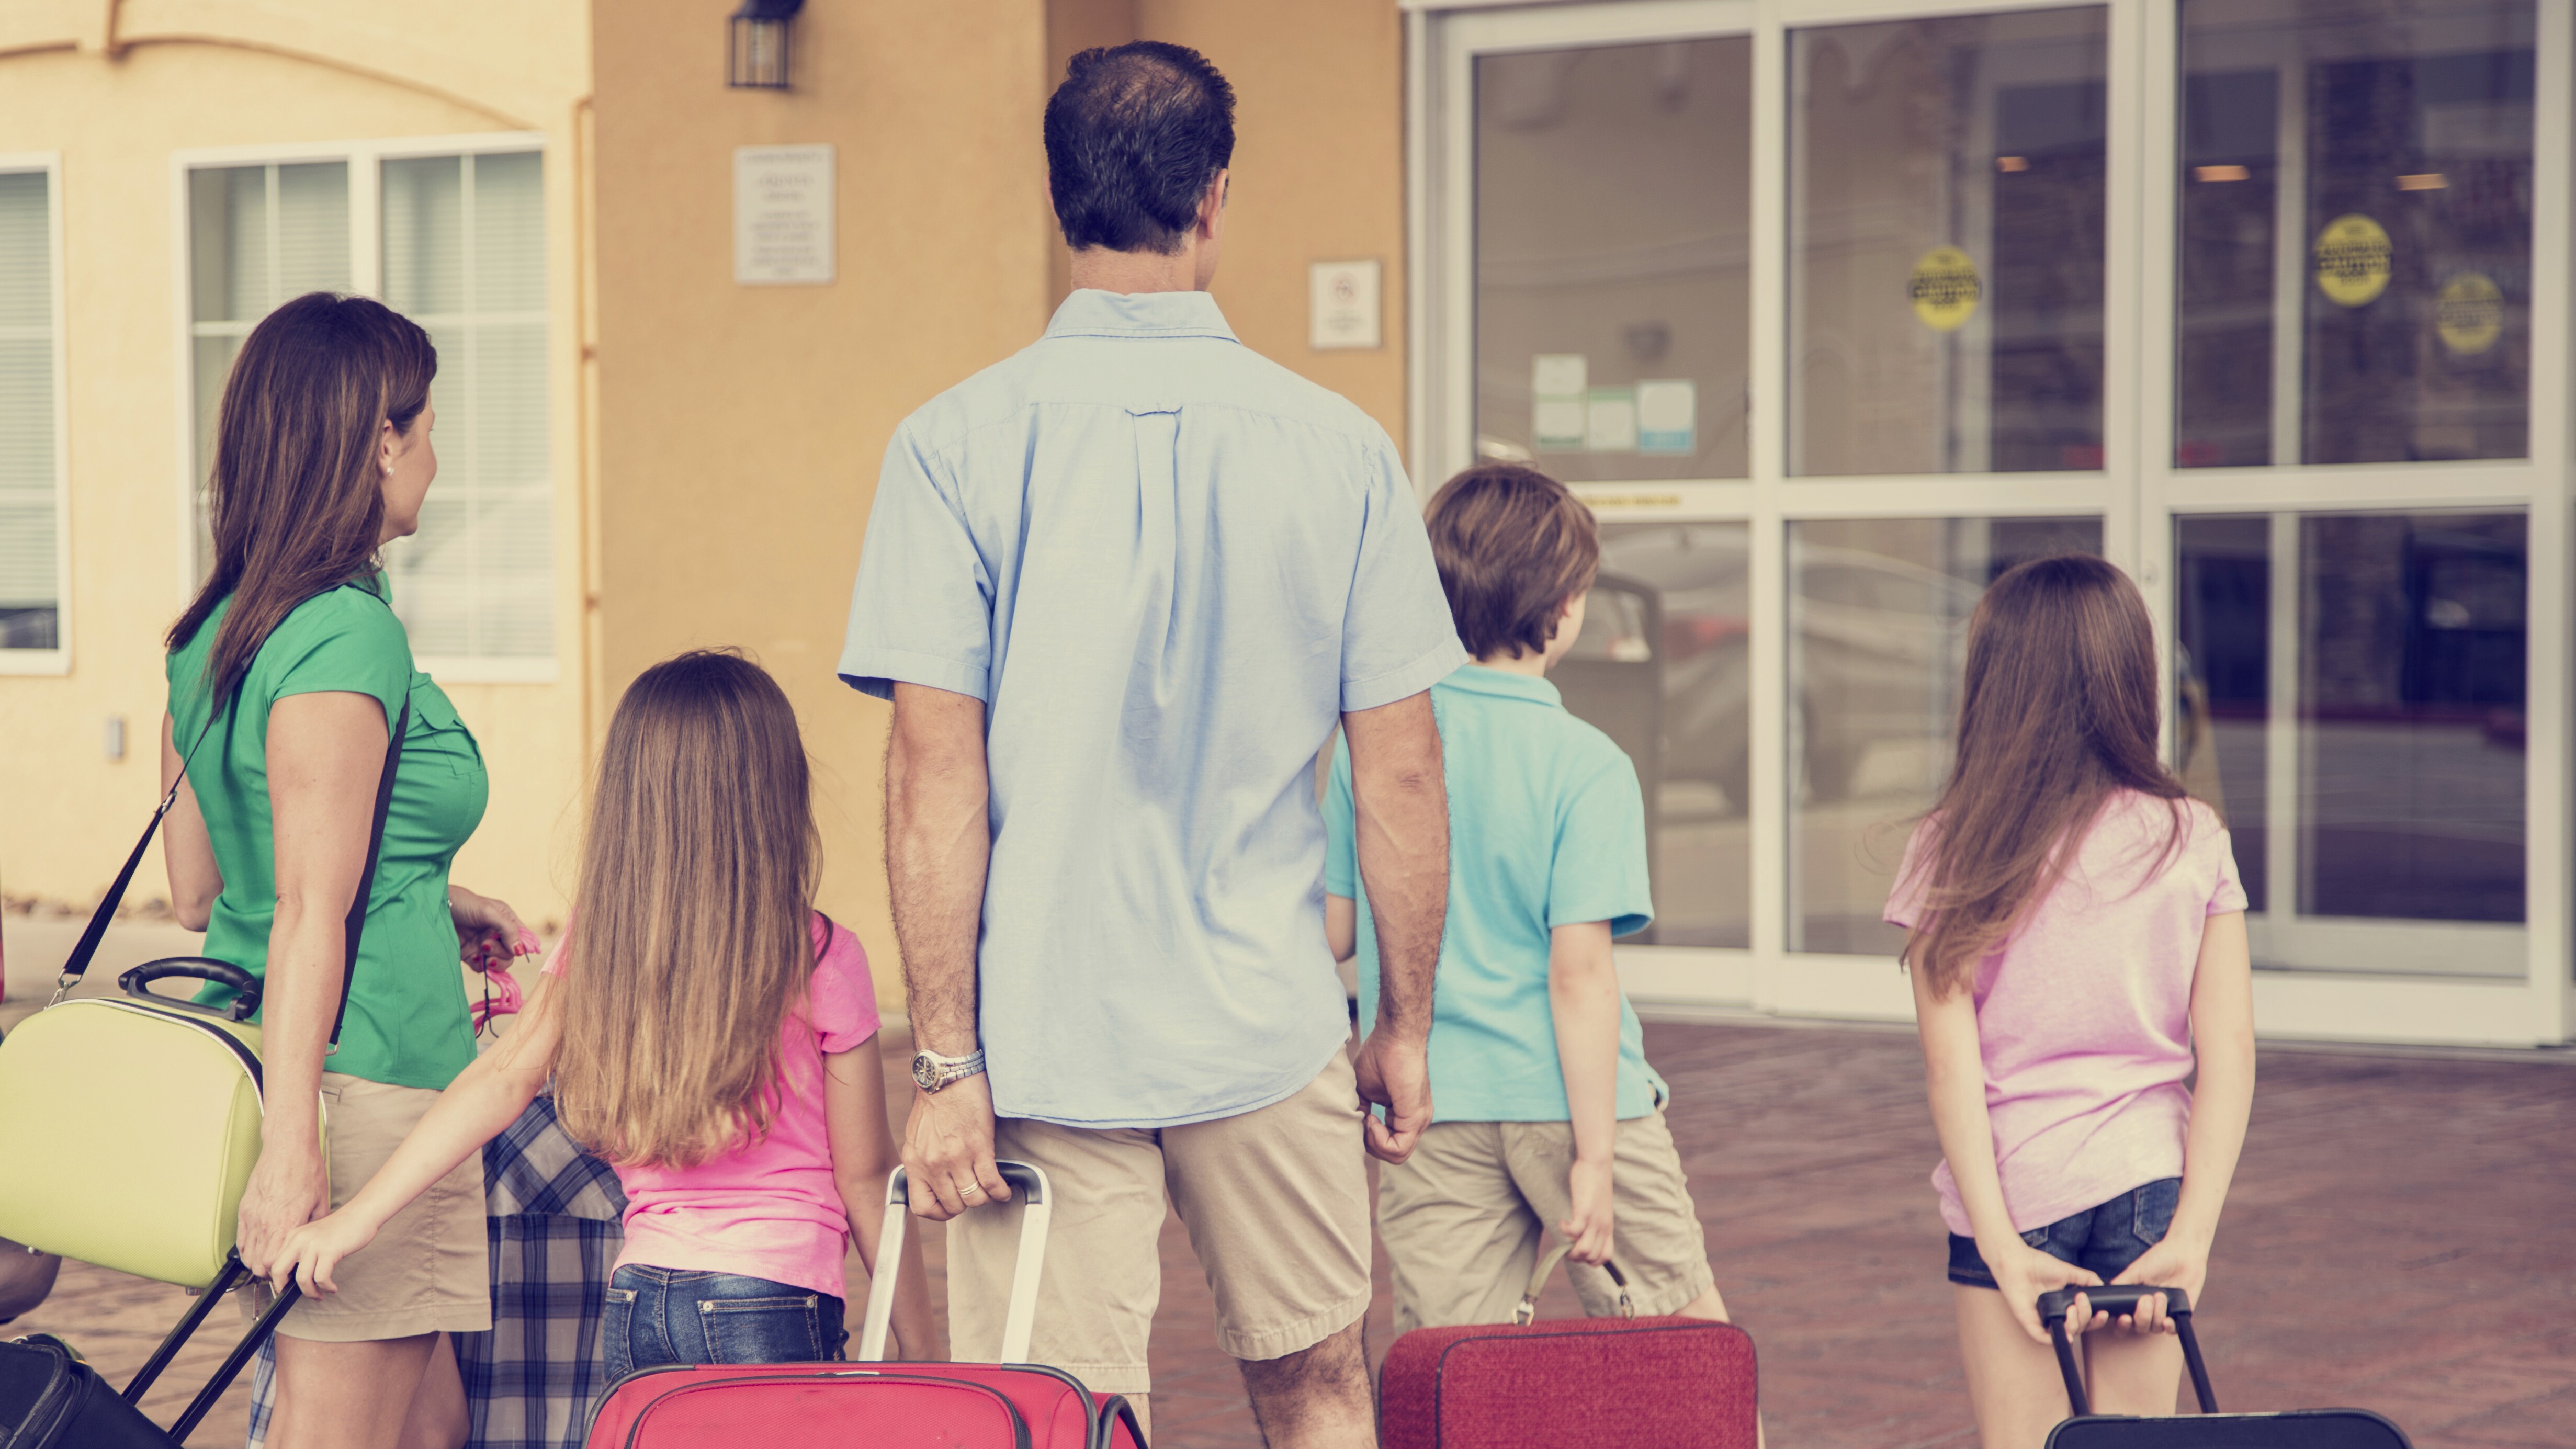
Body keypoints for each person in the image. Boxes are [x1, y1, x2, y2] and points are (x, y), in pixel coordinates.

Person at [838, 40, 1462, 1447]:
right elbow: (1403, 774)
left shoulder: (949, 446)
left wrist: (942, 1065)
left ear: (1059, 201)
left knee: (1052, 1418)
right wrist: (1405, 1028)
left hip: (1041, 1036)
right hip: (1268, 1016)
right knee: (1315, 1386)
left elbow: (933, 777)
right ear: (1215, 200)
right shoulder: (1341, 448)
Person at [270, 650, 938, 1380]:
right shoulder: (821, 955)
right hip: (775, 1299)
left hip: (642, 1298)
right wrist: (927, 1351)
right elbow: (868, 1177)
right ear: (778, 795)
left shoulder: (602, 941)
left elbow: (499, 1078)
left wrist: (359, 1214)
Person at [161, 290, 540, 1449]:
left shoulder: (215, 627)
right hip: (361, 1087)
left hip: (280, 1067)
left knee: (423, 1434)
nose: (439, 453)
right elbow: (307, 910)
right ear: (381, 439)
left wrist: (433, 888)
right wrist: (295, 1149)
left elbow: (205, 884)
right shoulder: (346, 633)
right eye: (427, 426)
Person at [1325, 463, 1745, 1341]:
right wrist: (1596, 1157)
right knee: (1686, 1355)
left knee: (1449, 1376)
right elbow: (1580, 977)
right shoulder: (1585, 762)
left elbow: (1331, 930)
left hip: (1429, 1105)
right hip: (1579, 1102)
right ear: (1563, 609)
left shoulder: (1367, 752)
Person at [1890, 554, 2255, 1449]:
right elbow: (2231, 1054)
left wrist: (1999, 1243)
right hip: (2148, 1187)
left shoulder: (1956, 843)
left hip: (2017, 1183)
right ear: (2131, 677)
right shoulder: (2190, 835)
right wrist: (2194, 1233)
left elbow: (1952, 1069)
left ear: (1995, 684)